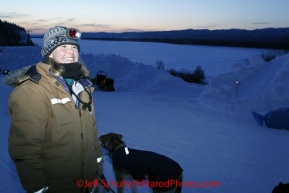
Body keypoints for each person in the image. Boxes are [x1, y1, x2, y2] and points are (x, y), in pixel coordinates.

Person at [5, 26, 104, 193]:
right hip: (57, 186)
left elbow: (92, 134)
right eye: (63, 47)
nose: (71, 52)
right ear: (49, 53)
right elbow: (26, 150)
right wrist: (38, 189)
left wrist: (97, 170)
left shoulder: (84, 87)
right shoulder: (32, 90)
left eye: (74, 47)